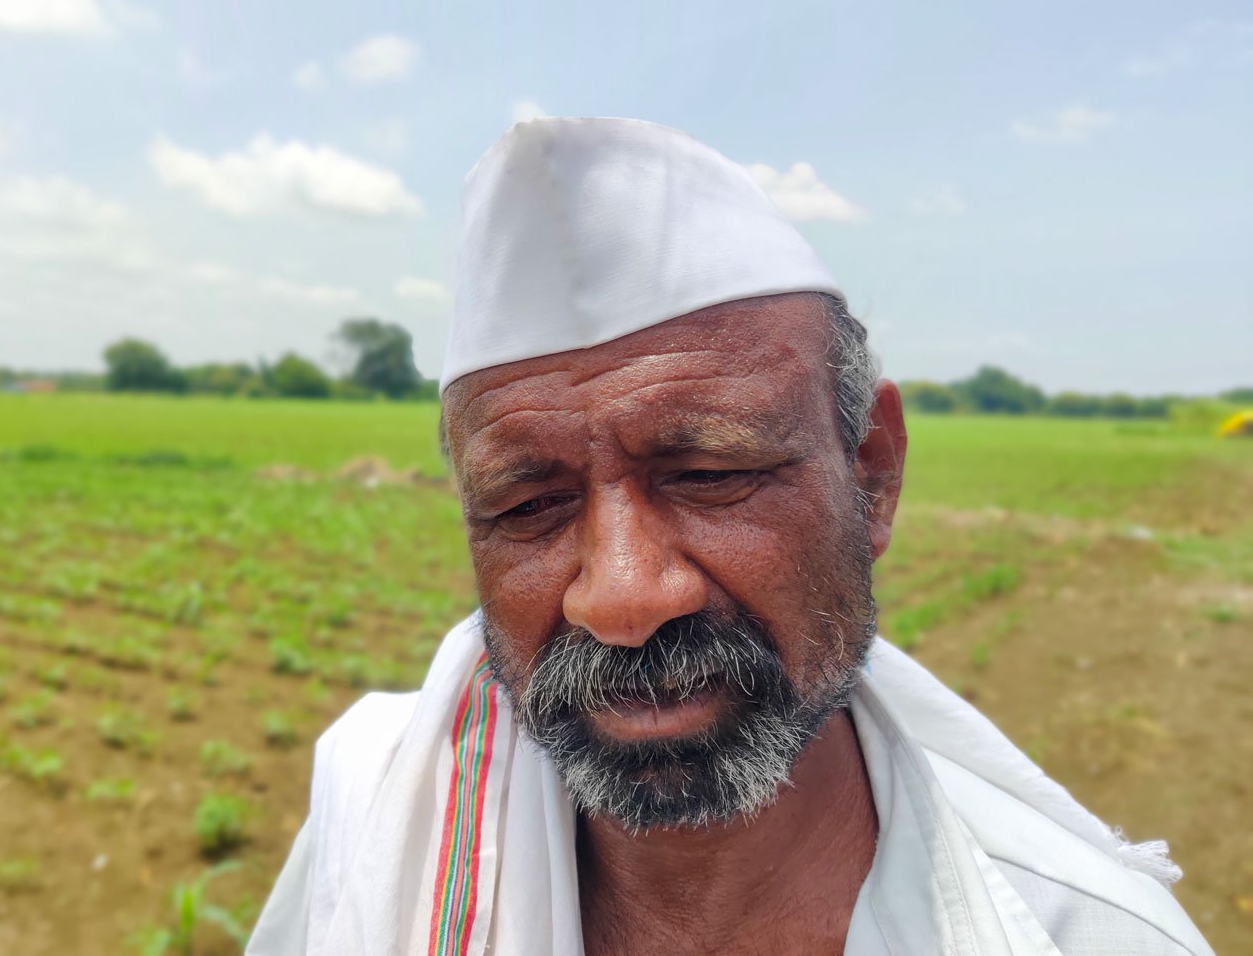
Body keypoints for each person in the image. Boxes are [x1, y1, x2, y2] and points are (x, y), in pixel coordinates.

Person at [246, 117, 1213, 955]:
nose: (623, 598)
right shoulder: (372, 811)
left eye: (710, 476)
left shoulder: (1089, 936)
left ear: (870, 471)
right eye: (527, 506)